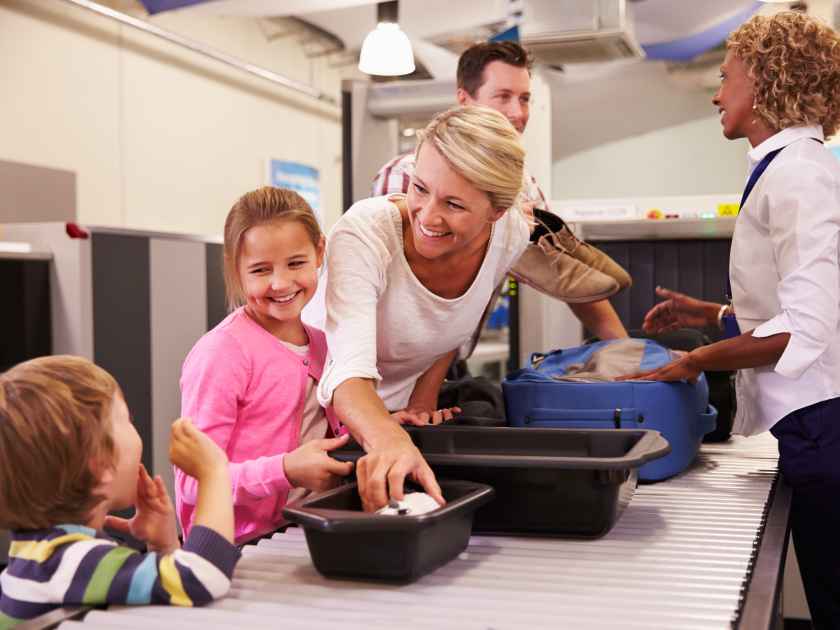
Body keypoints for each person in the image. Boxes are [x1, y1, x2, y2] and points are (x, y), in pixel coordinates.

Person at [626, 12, 840, 628]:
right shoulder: (788, 167)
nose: (716, 94)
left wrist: (695, 359)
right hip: (812, 424)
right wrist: (715, 315)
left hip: (824, 426)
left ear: (766, 81)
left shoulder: (800, 171)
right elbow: (796, 304)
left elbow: (805, 326)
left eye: (724, 78)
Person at [318, 106, 535, 510]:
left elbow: (452, 324)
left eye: (453, 204)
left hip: (395, 429)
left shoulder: (510, 235)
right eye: (419, 188)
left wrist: (423, 401)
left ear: (497, 212)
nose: (428, 216)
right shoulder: (365, 234)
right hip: (317, 429)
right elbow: (346, 377)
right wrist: (389, 438)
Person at [372, 40, 630, 339]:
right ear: (465, 101)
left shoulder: (524, 185)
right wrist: (503, 231)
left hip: (449, 349)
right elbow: (402, 281)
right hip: (391, 349)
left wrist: (628, 351)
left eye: (524, 98)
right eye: (503, 96)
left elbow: (569, 280)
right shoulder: (407, 173)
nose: (517, 112)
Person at [0, 356, 239, 626]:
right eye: (127, 419)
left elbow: (164, 594)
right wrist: (214, 473)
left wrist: (163, 547)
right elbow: (203, 578)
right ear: (101, 467)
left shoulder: (44, 553)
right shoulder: (66, 561)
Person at [175, 187, 354, 545]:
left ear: (319, 252)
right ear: (234, 268)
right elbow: (194, 482)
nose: (281, 283)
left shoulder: (323, 343)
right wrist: (285, 471)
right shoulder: (222, 353)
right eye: (260, 270)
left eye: (295, 263)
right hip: (238, 549)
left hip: (305, 534)